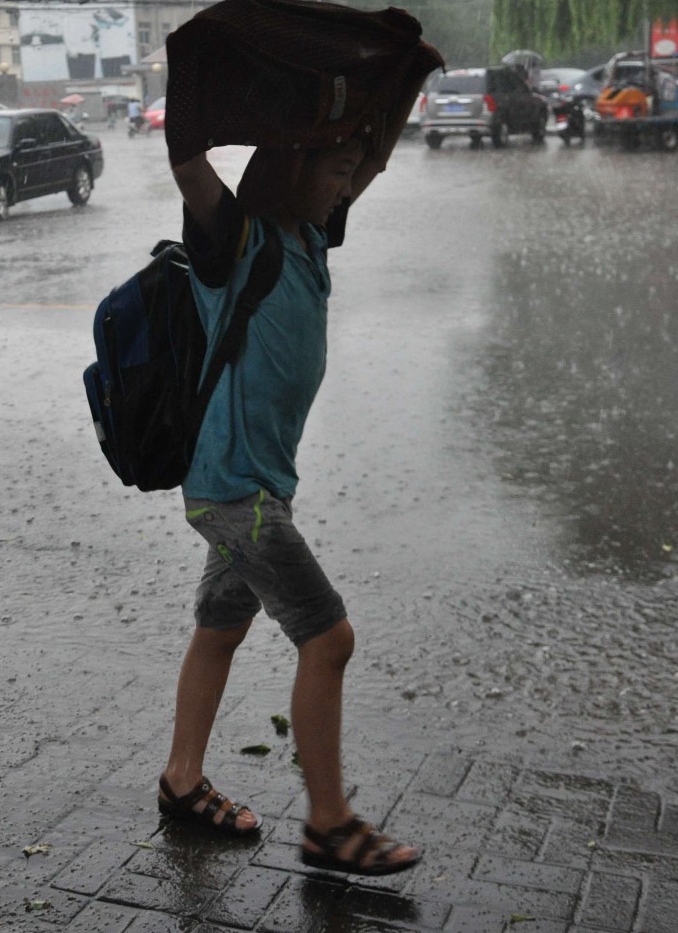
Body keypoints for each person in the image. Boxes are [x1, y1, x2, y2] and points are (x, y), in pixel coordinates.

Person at [154, 140, 422, 878]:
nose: (345, 187)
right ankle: (330, 824)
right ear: (290, 173)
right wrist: (190, 125)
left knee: (220, 629)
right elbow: (190, 174)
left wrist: (392, 95)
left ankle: (182, 779)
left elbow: (369, 165)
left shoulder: (310, 235)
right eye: (333, 172)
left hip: (254, 486)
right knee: (328, 640)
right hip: (240, 494)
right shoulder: (238, 240)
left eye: (345, 177)